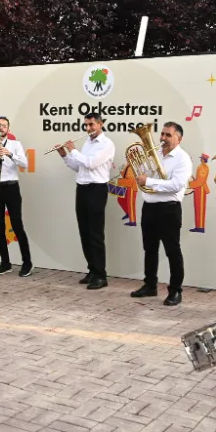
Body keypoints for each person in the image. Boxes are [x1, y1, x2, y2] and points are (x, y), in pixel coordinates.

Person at [129, 122, 193, 305]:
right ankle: (150, 285)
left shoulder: (183, 158)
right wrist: (143, 177)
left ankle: (175, 291)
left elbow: (176, 185)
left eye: (168, 135)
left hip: (169, 209)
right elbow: (143, 177)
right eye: (162, 134)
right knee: (149, 250)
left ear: (179, 138)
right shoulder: (155, 153)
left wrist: (148, 181)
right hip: (149, 207)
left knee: (172, 251)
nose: (163, 138)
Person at [57, 112, 115, 290]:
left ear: (100, 124)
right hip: (82, 188)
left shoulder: (107, 144)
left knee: (96, 233)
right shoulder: (87, 143)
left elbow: (91, 163)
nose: (88, 129)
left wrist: (73, 150)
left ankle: (101, 275)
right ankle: (92, 270)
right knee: (84, 232)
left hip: (96, 189)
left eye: (91, 125)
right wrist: (65, 155)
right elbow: (79, 167)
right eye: (86, 125)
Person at [0, 116, 33, 277]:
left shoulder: (15, 145)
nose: (1, 128)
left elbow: (25, 164)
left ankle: (27, 263)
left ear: (8, 130)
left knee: (17, 225)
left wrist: (10, 154)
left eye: (4, 126)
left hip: (11, 188)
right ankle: (5, 262)